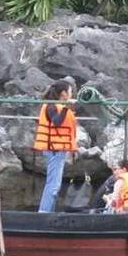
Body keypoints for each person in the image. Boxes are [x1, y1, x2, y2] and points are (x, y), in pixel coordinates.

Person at [33, 79, 78, 213]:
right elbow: (57, 122)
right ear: (63, 93)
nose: (71, 94)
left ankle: (48, 212)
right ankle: (44, 213)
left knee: (54, 184)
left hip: (58, 150)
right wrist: (66, 107)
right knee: (53, 185)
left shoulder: (56, 105)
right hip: (54, 150)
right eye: (70, 91)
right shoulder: (51, 106)